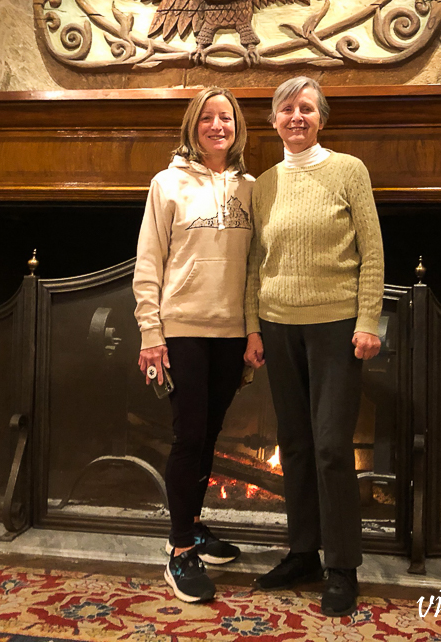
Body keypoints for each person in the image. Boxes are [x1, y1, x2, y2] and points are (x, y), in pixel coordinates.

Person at [244, 76, 384, 617]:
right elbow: (256, 262)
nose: (296, 116)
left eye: (306, 108)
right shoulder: (263, 185)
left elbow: (371, 251)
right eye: (286, 109)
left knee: (330, 446)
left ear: (321, 119)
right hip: (278, 327)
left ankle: (342, 566)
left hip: (336, 327)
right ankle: (301, 552)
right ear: (274, 120)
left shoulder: (349, 171)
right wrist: (253, 327)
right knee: (296, 444)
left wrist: (368, 321)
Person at [133, 87, 254, 604]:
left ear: (237, 126)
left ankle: (195, 524)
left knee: (209, 437)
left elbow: (254, 270)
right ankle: (180, 550)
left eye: (225, 117)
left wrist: (254, 330)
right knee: (187, 439)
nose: (217, 125)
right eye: (207, 118)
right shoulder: (167, 184)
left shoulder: (252, 189)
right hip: (181, 329)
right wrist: (150, 333)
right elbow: (148, 261)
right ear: (193, 125)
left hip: (231, 333)